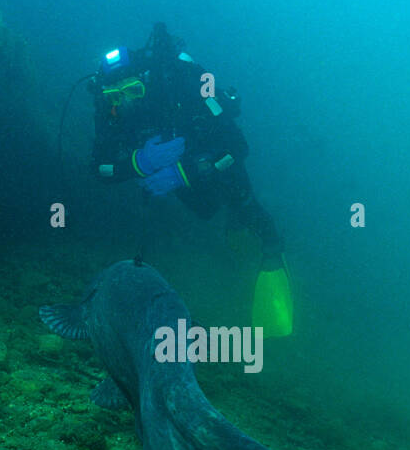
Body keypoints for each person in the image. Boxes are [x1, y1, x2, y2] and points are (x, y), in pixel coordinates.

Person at [90, 23, 293, 336]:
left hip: (215, 165)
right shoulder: (109, 107)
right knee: (202, 210)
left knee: (242, 204)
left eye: (133, 92)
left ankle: (271, 250)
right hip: (179, 188)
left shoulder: (186, 84)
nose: (125, 103)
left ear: (148, 82)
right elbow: (99, 169)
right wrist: (137, 163)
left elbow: (237, 148)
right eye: (116, 96)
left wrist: (185, 170)